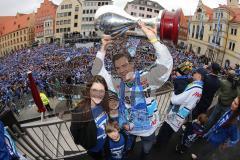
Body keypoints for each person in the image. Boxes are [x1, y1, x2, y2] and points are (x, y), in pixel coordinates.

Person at [92, 21, 173, 159]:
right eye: (118, 68)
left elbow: (166, 63)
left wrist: (153, 39)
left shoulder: (146, 78)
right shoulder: (117, 83)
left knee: (146, 149)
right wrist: (103, 48)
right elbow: (97, 71)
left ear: (133, 64)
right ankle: (129, 150)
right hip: (128, 126)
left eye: (125, 65)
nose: (122, 70)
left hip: (148, 129)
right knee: (129, 145)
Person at [156, 68, 205, 148]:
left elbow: (179, 100)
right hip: (183, 113)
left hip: (177, 112)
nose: (193, 74)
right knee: (170, 131)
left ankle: (158, 145)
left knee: (166, 128)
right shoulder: (199, 88)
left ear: (199, 75)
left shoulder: (195, 87)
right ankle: (162, 144)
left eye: (195, 72)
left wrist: (172, 95)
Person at [70, 75, 109, 160]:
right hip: (94, 149)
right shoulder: (80, 110)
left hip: (106, 143)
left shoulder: (104, 104)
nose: (98, 94)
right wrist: (87, 144)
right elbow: (74, 131)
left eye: (101, 91)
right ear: (89, 91)